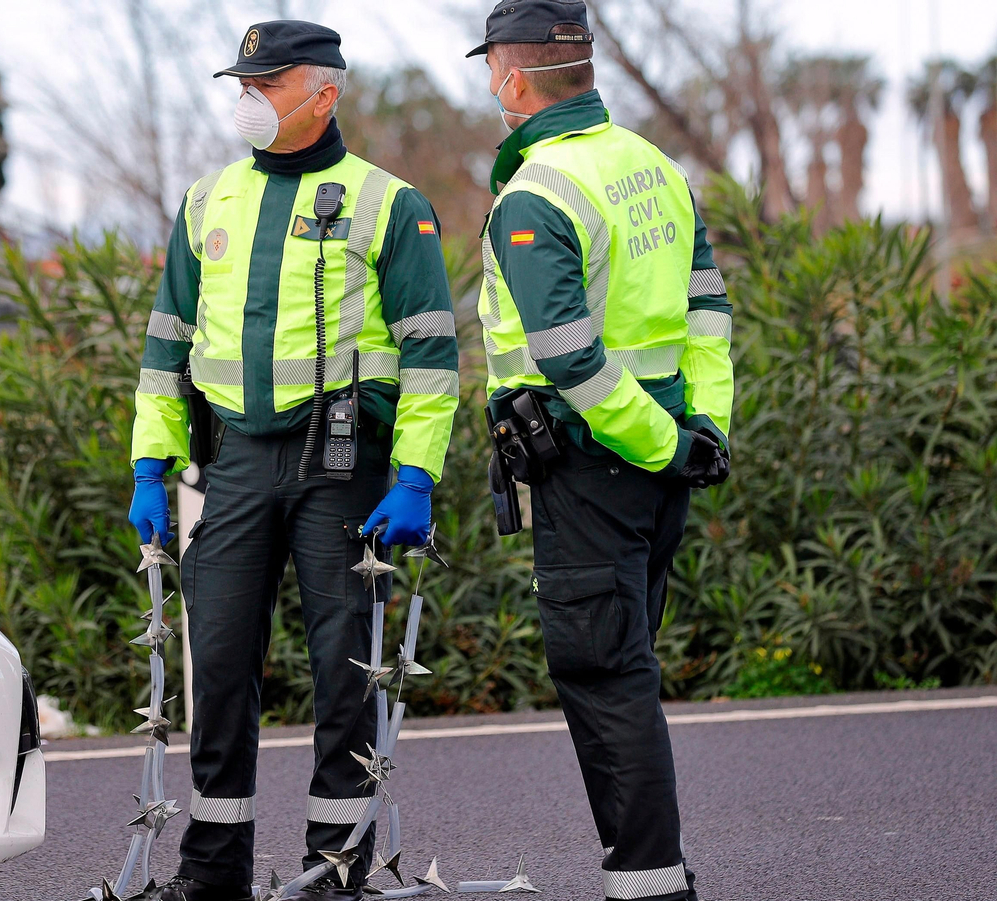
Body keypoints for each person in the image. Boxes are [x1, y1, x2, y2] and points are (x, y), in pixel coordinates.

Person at [126, 19, 460, 901]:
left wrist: (417, 474)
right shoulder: (206, 203)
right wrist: (150, 468)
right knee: (221, 666)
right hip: (233, 463)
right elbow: (166, 344)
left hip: (341, 467)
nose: (251, 99)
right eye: (244, 83)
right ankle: (212, 874)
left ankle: (333, 867)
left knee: (345, 670)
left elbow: (432, 358)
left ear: (326, 91)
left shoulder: (391, 204)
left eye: (269, 84)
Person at [466, 1, 732, 900]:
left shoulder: (540, 189)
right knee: (630, 668)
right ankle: (656, 876)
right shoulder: (655, 166)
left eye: (490, 66)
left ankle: (650, 885)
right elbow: (709, 314)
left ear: (512, 76)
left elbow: (569, 356)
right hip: (662, 464)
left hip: (595, 465)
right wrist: (703, 435)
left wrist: (662, 446)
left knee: (606, 676)